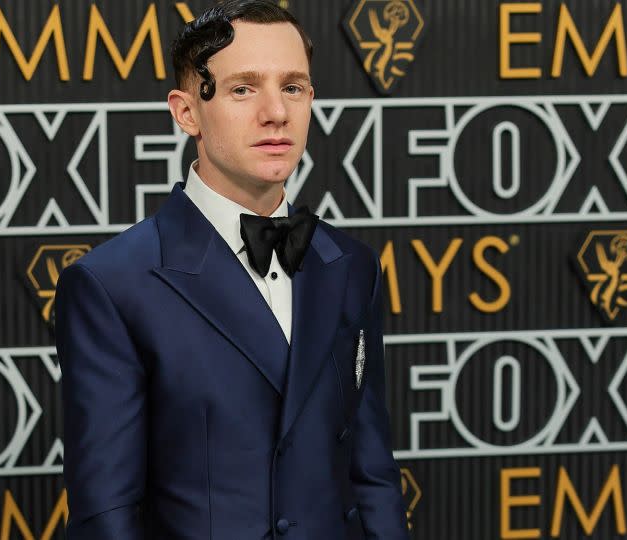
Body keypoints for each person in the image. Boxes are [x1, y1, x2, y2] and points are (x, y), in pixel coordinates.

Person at [54, 1, 411, 538]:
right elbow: (107, 512)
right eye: (243, 88)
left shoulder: (351, 265)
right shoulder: (112, 285)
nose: (276, 112)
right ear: (186, 112)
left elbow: (372, 472)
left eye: (293, 87)